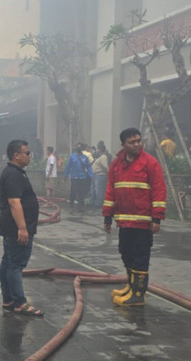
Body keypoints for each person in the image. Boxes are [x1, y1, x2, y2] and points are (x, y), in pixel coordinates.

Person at [103, 128, 166, 307]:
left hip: (143, 222)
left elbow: (159, 191)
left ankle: (138, 294)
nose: (137, 144)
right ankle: (131, 287)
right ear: (123, 145)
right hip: (124, 221)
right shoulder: (116, 164)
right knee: (125, 252)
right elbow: (110, 191)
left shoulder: (150, 163)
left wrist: (156, 218)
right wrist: (108, 216)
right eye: (132, 142)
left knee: (140, 256)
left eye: (139, 140)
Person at [0, 140, 43, 316]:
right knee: (15, 265)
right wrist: (23, 229)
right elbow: (14, 202)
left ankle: (8, 299)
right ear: (16, 155)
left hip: (11, 227)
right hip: (16, 228)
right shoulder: (13, 174)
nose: (30, 156)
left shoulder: (15, 172)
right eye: (27, 153)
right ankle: (19, 302)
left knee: (8, 262)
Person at [64, 143, 93, 210]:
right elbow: (68, 166)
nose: (78, 148)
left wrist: (91, 175)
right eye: (77, 147)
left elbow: (88, 167)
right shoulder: (72, 157)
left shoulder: (85, 158)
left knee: (81, 191)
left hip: (82, 177)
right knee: (73, 191)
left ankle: (80, 204)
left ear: (81, 149)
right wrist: (66, 174)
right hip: (74, 177)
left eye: (79, 147)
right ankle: (71, 203)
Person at [90, 141, 110, 207]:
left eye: (98, 148)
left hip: (100, 175)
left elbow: (105, 166)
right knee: (94, 189)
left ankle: (99, 203)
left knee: (99, 190)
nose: (97, 150)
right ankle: (92, 202)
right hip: (95, 175)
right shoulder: (99, 156)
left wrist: (109, 173)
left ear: (100, 149)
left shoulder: (103, 157)